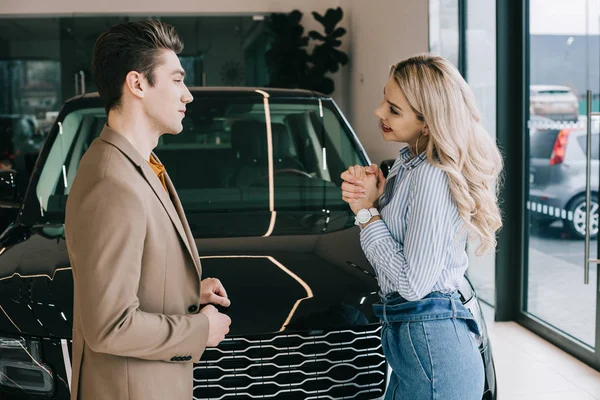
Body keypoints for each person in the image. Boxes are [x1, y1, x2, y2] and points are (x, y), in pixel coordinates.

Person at [64, 20, 231, 400]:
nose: (187, 95)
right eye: (176, 80)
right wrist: (201, 330)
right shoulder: (113, 183)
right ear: (137, 84)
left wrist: (185, 293)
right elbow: (110, 326)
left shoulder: (137, 163)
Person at [340, 54, 503, 399]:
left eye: (394, 109)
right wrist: (381, 197)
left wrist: (367, 212)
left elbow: (412, 284)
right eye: (385, 99)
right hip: (418, 342)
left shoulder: (431, 174)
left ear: (427, 123)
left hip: (433, 346)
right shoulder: (409, 161)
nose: (379, 112)